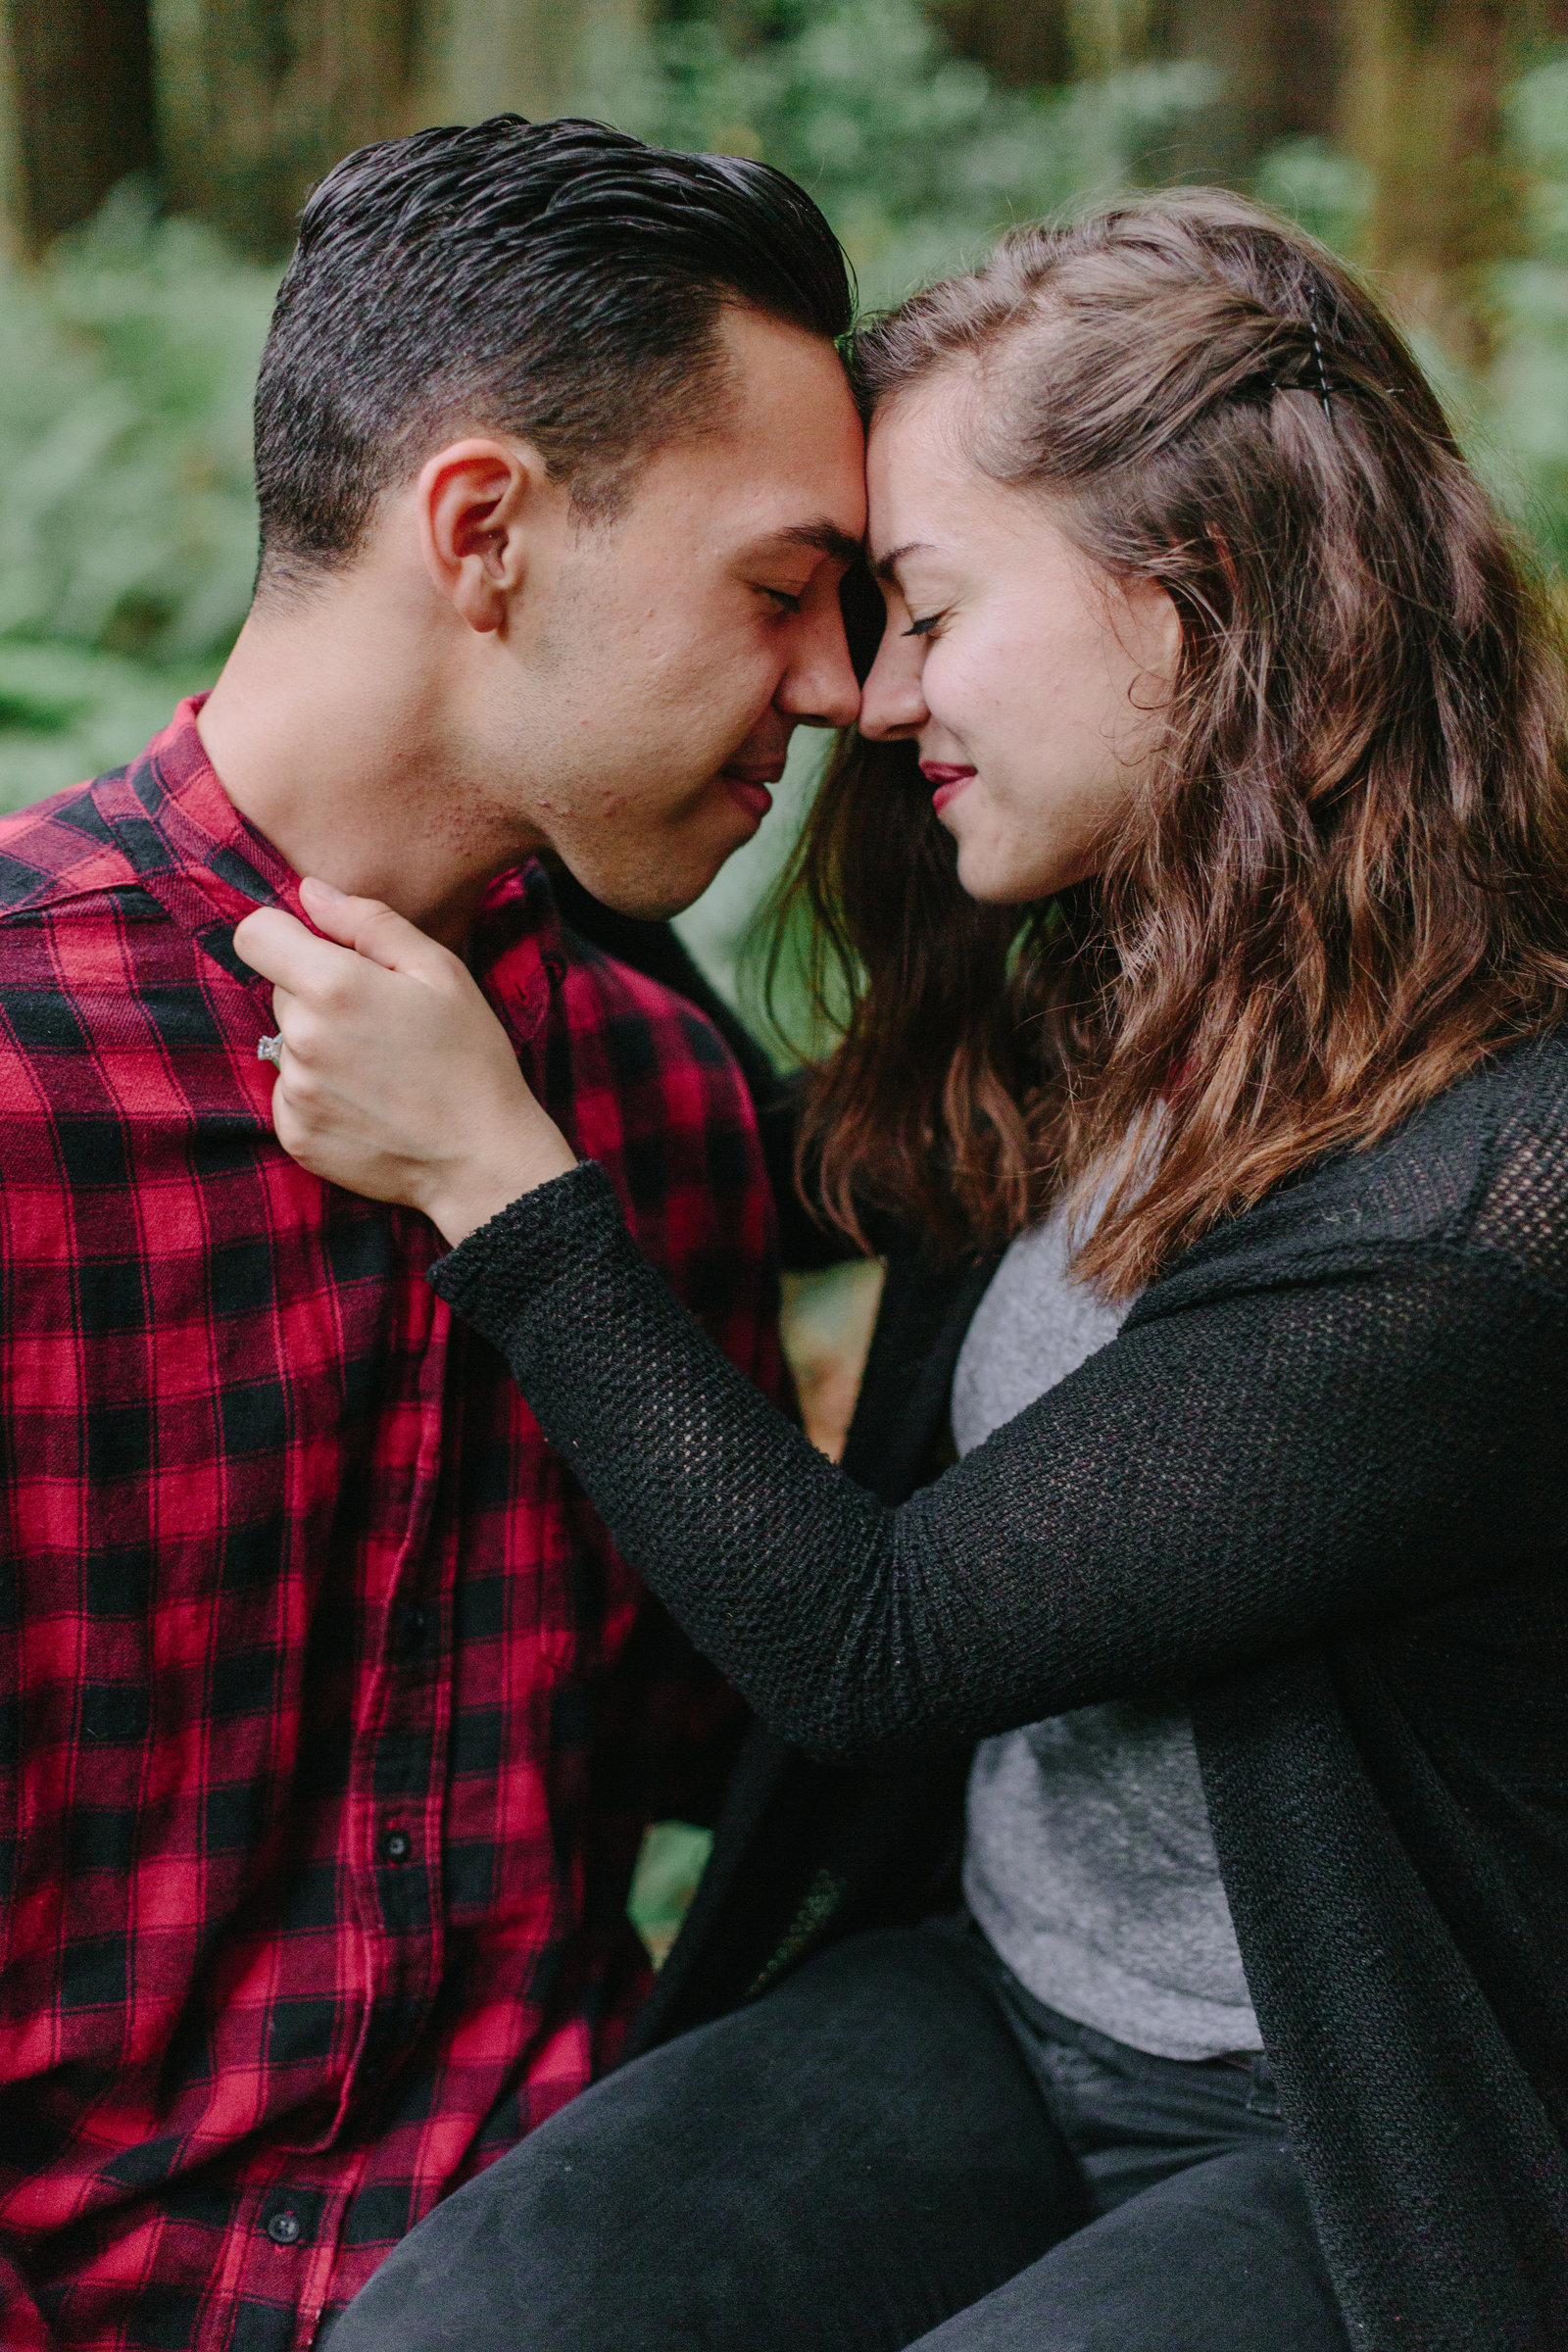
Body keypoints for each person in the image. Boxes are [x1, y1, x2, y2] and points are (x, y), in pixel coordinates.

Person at [239, 191, 1568, 2352]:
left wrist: (497, 1181)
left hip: (1354, 2108)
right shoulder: (1121, 994)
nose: (874, 694)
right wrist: (523, 781)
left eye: (925, 611)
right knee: (458, 2327)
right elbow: (791, 1174)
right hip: (998, 1990)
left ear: (1198, 597)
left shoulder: (1489, 1193)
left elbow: (874, 1640)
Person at [0, 116, 865, 2351]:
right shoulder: (18, 1081)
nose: (841, 687)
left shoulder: (653, 1121)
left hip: (575, 2281)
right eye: (778, 590)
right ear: (481, 530)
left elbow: (739, 1756)